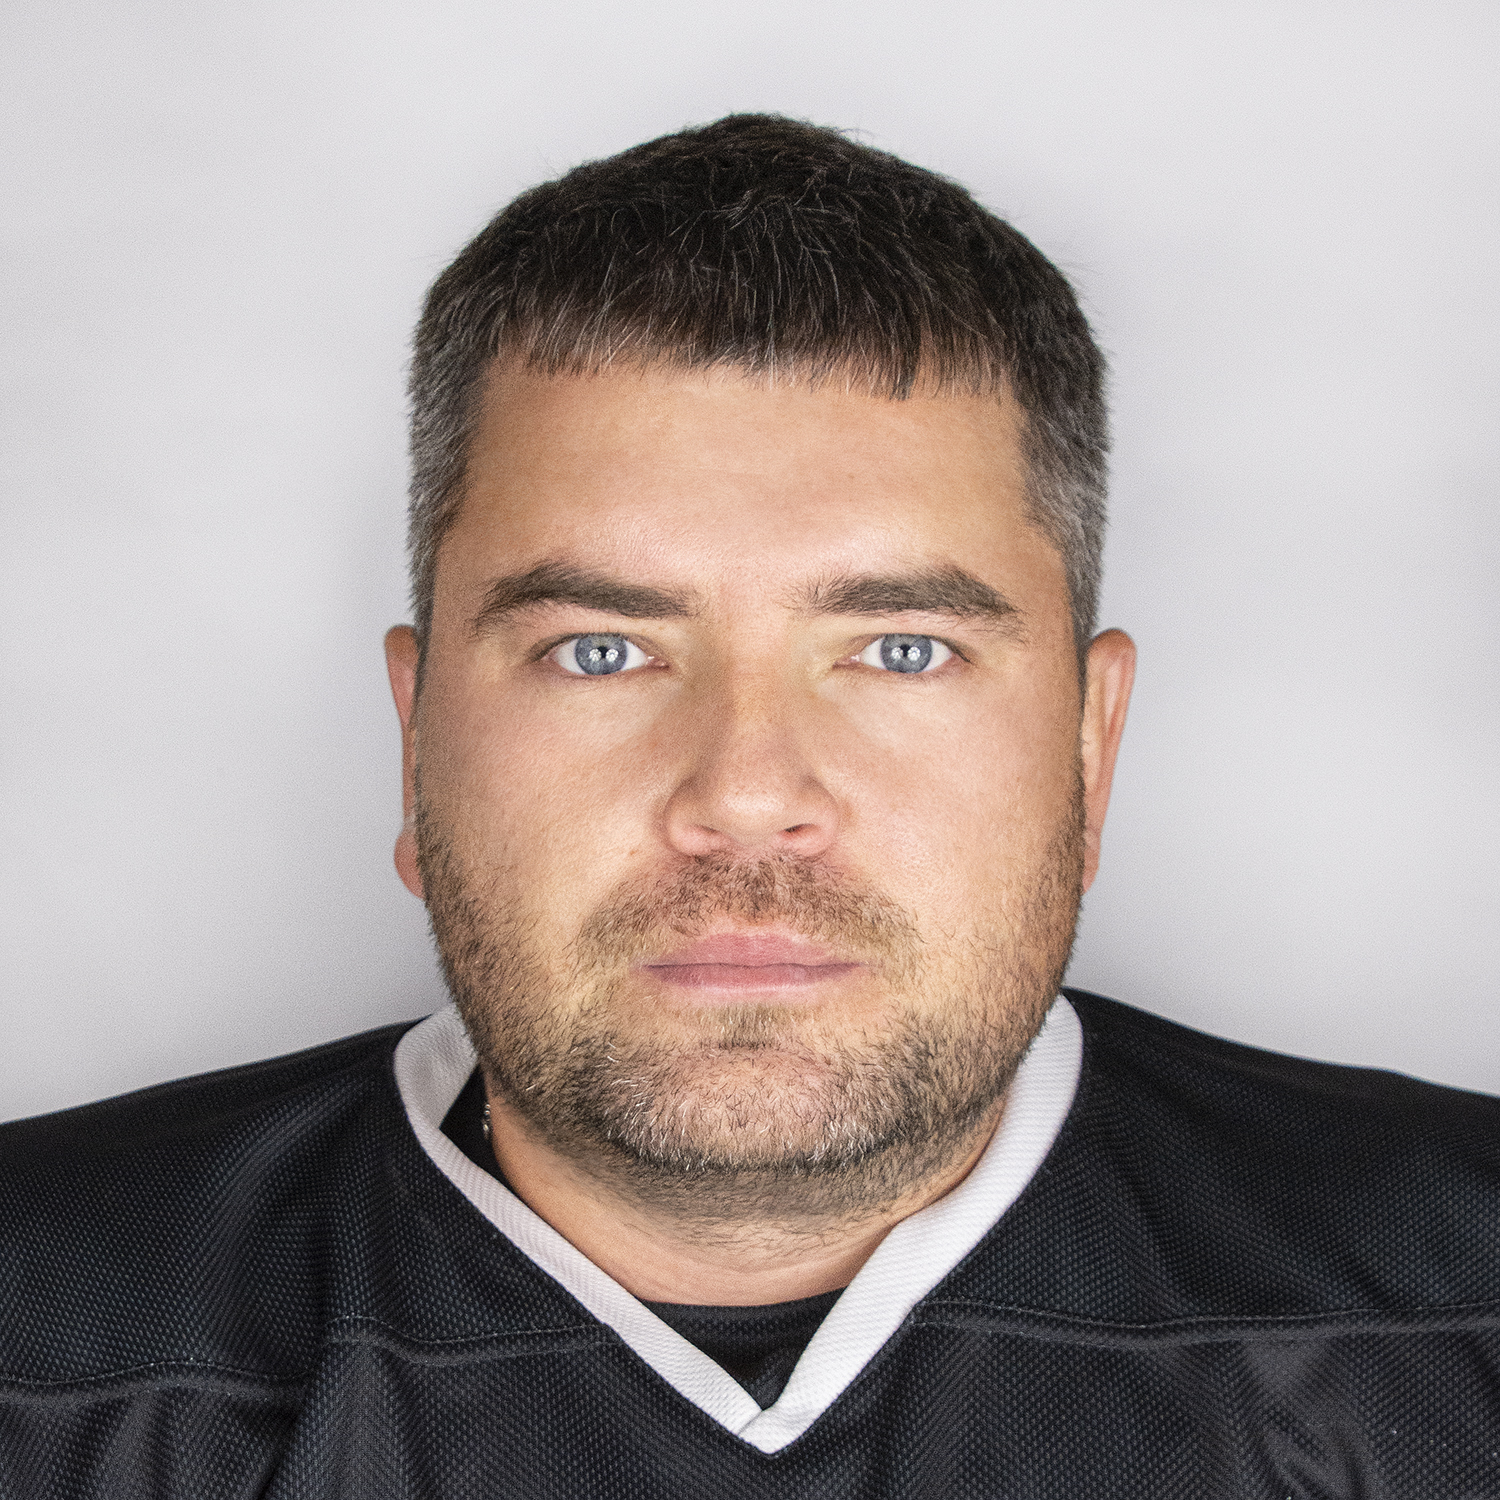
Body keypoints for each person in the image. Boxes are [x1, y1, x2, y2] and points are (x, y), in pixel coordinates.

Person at [1, 113, 1496, 1500]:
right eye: (600, 651)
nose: (747, 795)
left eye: (902, 650)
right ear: (415, 741)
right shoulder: (37, 1345)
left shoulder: (1463, 1315)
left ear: (1091, 749)